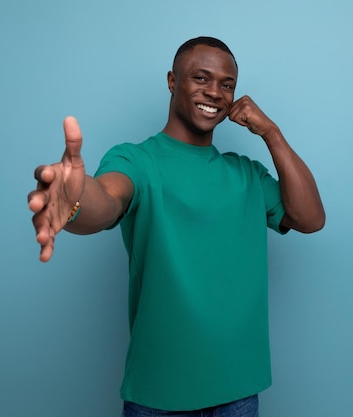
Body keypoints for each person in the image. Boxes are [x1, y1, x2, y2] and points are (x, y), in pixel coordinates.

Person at [28, 36, 325, 417]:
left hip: (238, 389)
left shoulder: (246, 174)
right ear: (173, 81)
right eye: (201, 78)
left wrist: (272, 133)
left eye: (226, 84)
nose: (215, 93)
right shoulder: (136, 159)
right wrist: (73, 201)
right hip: (158, 393)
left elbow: (310, 219)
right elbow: (107, 199)